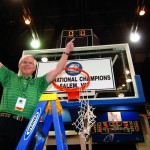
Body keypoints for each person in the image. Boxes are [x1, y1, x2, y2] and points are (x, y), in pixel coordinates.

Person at [0, 38, 75, 150]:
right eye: (24, 62)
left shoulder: (39, 83)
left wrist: (66, 51)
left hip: (26, 126)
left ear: (34, 68)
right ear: (19, 65)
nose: (27, 64)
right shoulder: (8, 76)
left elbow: (58, 69)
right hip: (4, 123)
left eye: (30, 63)